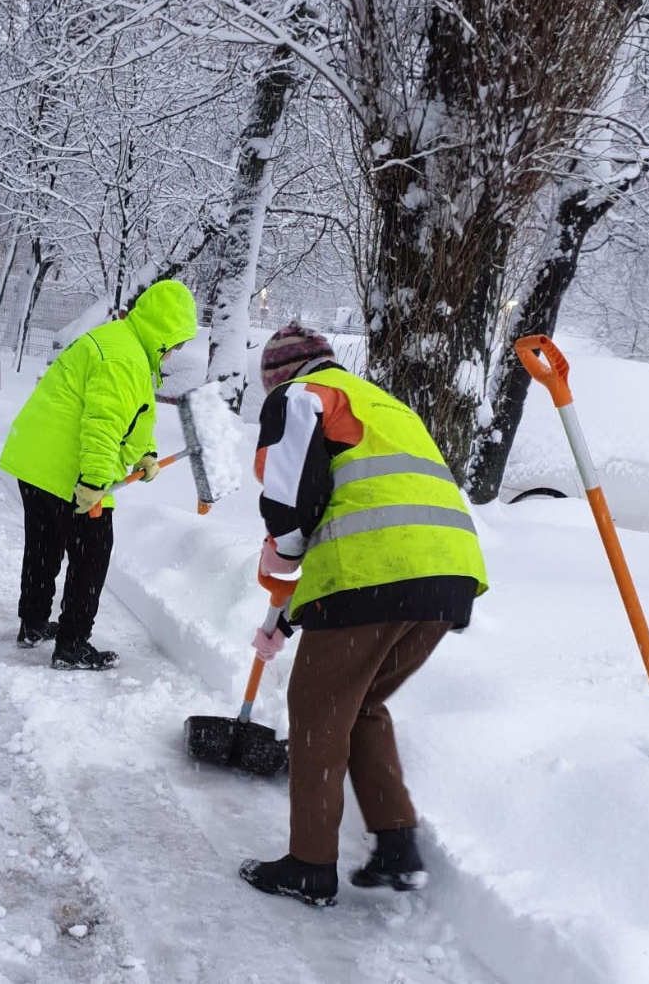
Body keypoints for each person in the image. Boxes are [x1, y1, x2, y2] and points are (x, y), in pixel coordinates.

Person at [238, 322, 488, 907]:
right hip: (447, 575)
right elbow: (368, 499)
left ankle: (309, 865)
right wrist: (289, 613)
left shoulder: (301, 397)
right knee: (360, 704)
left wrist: (283, 550)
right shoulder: (384, 404)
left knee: (317, 712)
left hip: (374, 573)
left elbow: (293, 501)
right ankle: (397, 846)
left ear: (279, 376)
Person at [0, 279, 197, 670]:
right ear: (163, 332)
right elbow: (103, 424)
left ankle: (34, 623)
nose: (175, 353)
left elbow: (130, 415)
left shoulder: (121, 341)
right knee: (92, 554)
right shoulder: (126, 359)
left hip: (37, 459)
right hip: (67, 468)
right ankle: (72, 645)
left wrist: (145, 453)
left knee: (44, 545)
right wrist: (92, 482)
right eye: (176, 344)